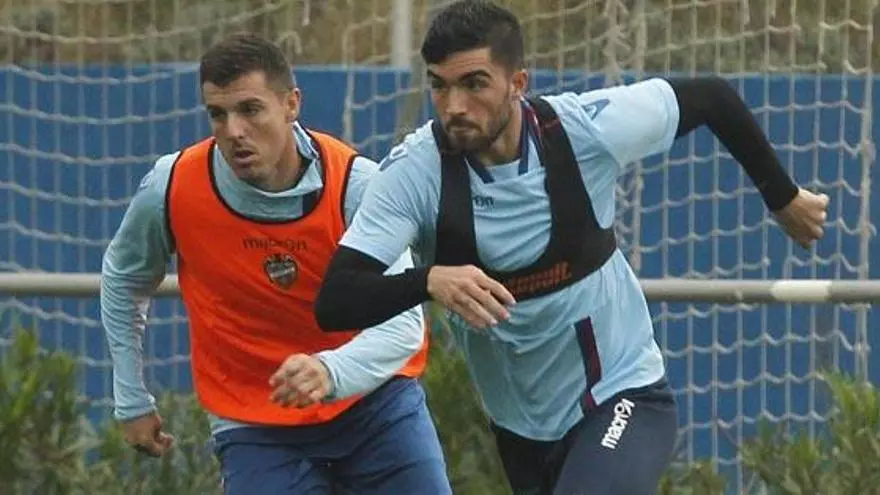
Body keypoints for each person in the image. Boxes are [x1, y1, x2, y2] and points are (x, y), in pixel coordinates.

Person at [314, 1, 829, 494]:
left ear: (518, 83)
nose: (454, 107)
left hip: (622, 392)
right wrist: (428, 281)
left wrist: (783, 198)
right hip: (521, 430)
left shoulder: (583, 130)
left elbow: (712, 98)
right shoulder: (414, 172)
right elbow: (337, 300)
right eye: (439, 86)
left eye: (474, 84)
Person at [100, 32, 452, 495]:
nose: (233, 131)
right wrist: (130, 396)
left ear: (291, 104)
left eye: (250, 109)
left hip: (374, 404)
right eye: (218, 114)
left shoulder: (355, 184)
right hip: (255, 424)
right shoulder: (172, 185)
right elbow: (123, 279)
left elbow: (403, 328)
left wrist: (329, 370)